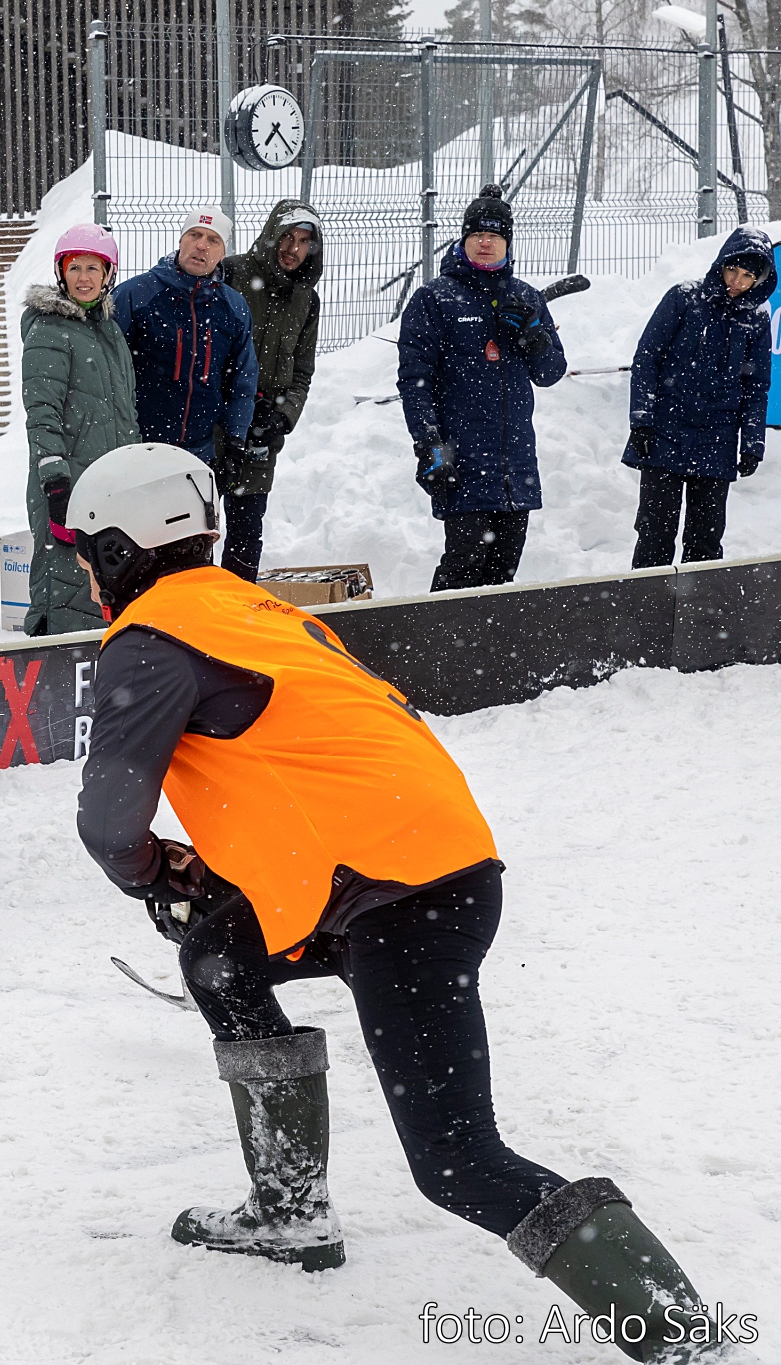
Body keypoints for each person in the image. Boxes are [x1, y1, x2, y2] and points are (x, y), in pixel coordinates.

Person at [63, 442, 714, 1354]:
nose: (85, 572)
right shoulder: (257, 612)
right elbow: (311, 767)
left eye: (87, 552)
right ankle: (289, 1209)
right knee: (218, 956)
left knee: (458, 1162)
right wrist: (213, 882)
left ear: (120, 547)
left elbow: (109, 823)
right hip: (431, 874)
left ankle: (680, 1331)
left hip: (397, 902)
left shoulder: (150, 641)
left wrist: (149, 873)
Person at [397, 184, 567, 592]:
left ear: (508, 243)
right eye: (477, 234)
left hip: (516, 466)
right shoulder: (435, 298)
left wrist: (534, 337)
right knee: (463, 566)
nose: (485, 242)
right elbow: (415, 380)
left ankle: (493, 638)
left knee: (504, 573)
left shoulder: (525, 297)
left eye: (494, 235)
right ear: (463, 240)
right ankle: (440, 635)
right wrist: (430, 446)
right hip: (464, 462)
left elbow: (550, 373)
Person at [625, 225, 774, 568]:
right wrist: (642, 419)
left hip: (717, 439)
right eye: (733, 270)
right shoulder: (684, 298)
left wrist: (752, 443)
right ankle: (648, 599)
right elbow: (647, 359)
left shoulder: (756, 320)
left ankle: (700, 603)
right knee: (655, 532)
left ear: (759, 280)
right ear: (721, 264)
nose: (736, 281)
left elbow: (756, 386)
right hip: (665, 430)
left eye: (748, 276)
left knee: (706, 538)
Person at [19, 222, 141, 634]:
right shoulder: (49, 330)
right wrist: (55, 483)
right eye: (75, 268)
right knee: (64, 582)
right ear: (61, 273)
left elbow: (123, 412)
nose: (84, 278)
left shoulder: (108, 330)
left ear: (108, 275)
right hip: (68, 482)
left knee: (102, 583)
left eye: (93, 268)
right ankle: (51, 656)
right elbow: (42, 411)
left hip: (108, 480)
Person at [220, 201, 324, 583]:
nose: (293, 249)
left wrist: (281, 416)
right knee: (196, 533)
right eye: (287, 237)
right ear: (271, 235)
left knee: (246, 537)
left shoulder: (307, 300)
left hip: (262, 437)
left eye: (303, 242)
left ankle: (237, 609)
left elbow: (302, 372)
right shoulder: (231, 274)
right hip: (214, 427)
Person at [113, 208, 257, 470]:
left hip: (200, 451)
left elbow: (243, 378)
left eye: (213, 240)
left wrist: (236, 439)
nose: (201, 245)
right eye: (194, 235)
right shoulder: (135, 295)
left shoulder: (234, 308)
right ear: (181, 241)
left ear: (222, 254)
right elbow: (108, 372)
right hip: (138, 447)